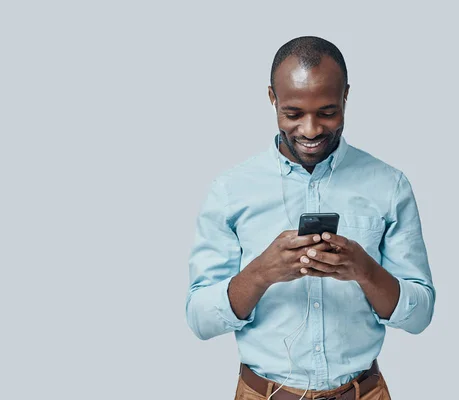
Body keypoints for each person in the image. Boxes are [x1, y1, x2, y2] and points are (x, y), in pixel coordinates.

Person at [185, 36, 436, 400]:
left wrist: (364, 270)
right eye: (292, 114)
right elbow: (200, 319)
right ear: (272, 98)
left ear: (346, 95)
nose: (311, 129)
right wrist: (261, 273)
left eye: (328, 112)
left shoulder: (389, 185)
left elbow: (420, 316)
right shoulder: (230, 190)